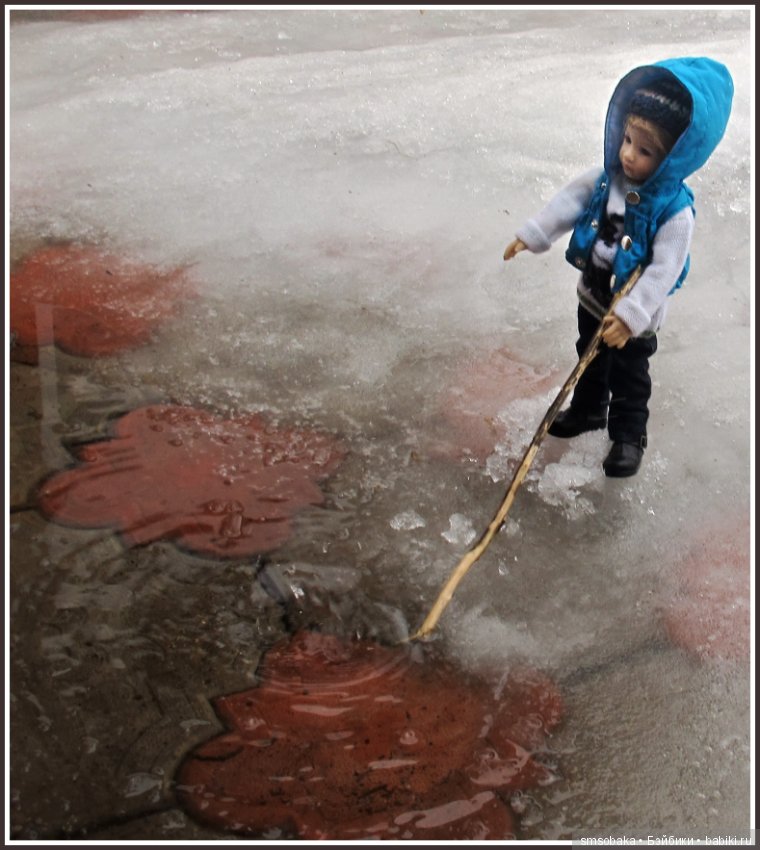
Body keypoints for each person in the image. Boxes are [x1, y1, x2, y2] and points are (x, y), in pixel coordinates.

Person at [503, 57, 733, 477]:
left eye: (645, 151)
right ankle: (589, 409)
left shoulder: (674, 212)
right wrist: (534, 233)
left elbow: (664, 269)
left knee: (630, 376)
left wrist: (631, 315)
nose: (628, 155)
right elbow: (569, 202)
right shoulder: (607, 180)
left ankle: (628, 435)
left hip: (633, 317)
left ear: (673, 157)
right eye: (627, 140)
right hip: (593, 295)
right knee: (588, 356)